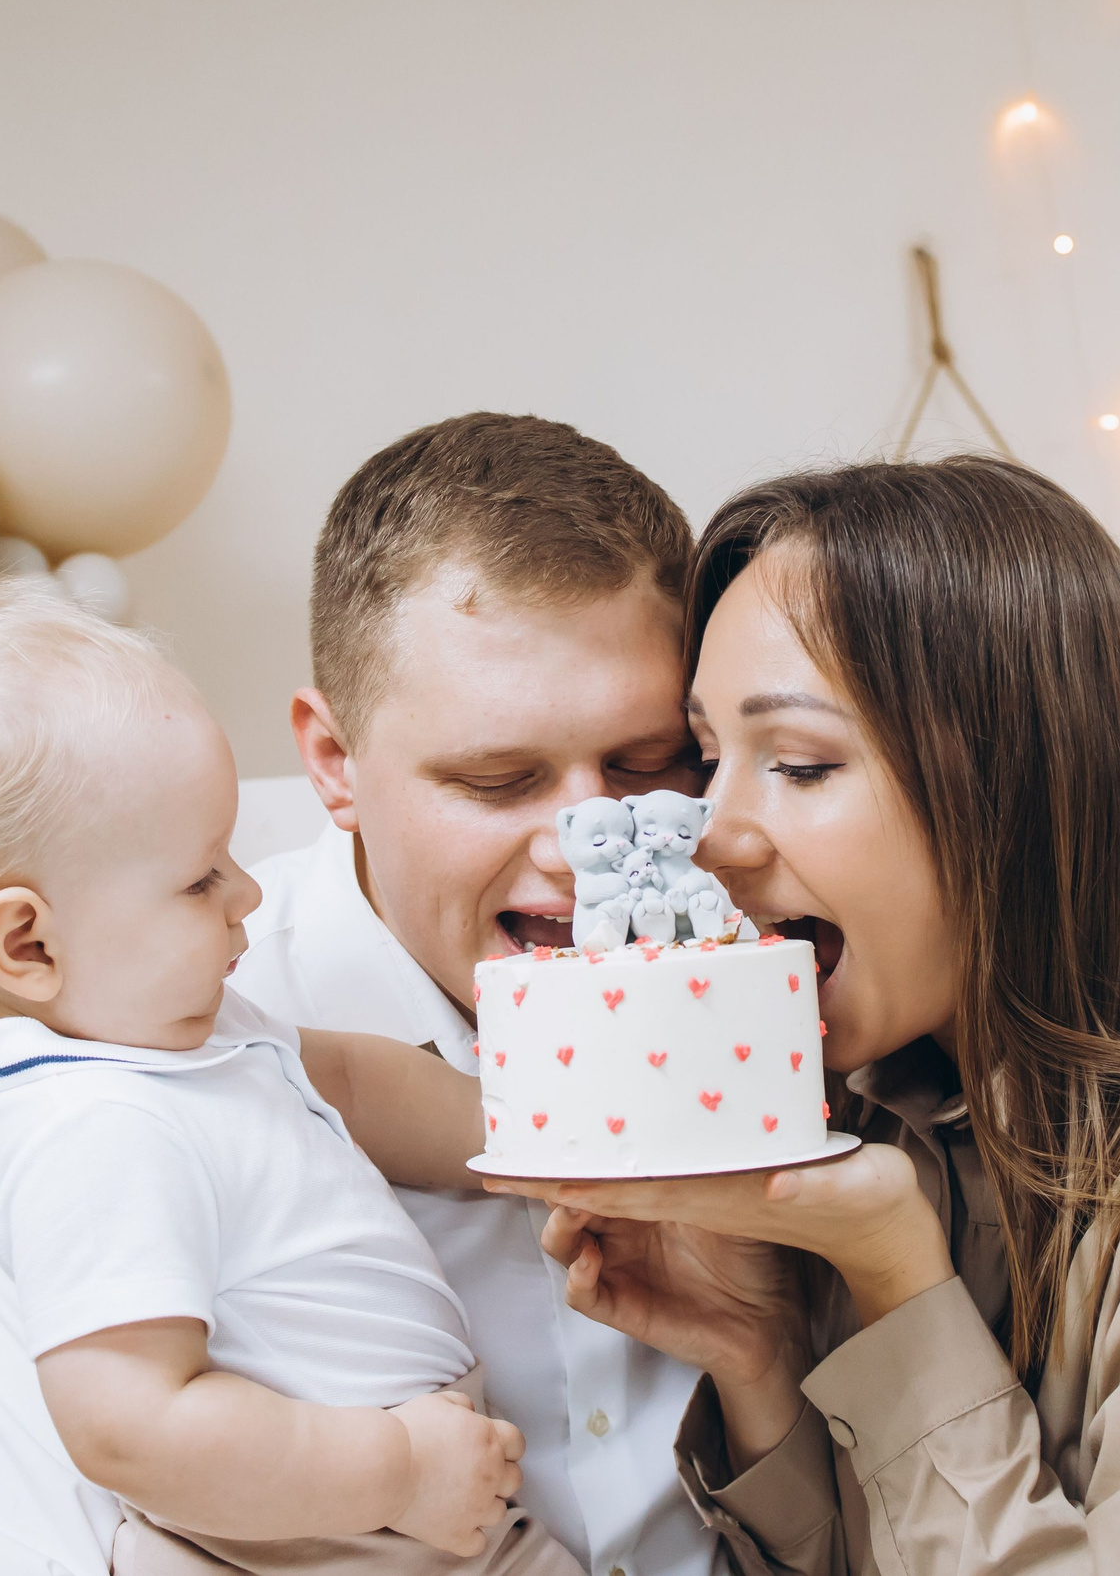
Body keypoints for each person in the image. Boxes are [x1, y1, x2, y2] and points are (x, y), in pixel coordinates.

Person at [488, 456, 1120, 1575]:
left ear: (1013, 787)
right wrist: (760, 1357)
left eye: (798, 761)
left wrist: (898, 1286)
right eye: (705, 757)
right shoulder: (891, 1113)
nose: (711, 830)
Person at [0, 577, 569, 1576]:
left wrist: (532, 1134)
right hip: (321, 1537)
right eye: (201, 874)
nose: (246, 891)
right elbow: (135, 1426)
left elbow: (342, 1077)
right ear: (28, 943)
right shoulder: (91, 1129)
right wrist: (396, 1469)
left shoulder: (159, 1036)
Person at [231, 413, 729, 1576]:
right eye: (496, 779)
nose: (587, 842)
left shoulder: (790, 990)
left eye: (649, 765)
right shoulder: (170, 1038)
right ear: (333, 764)